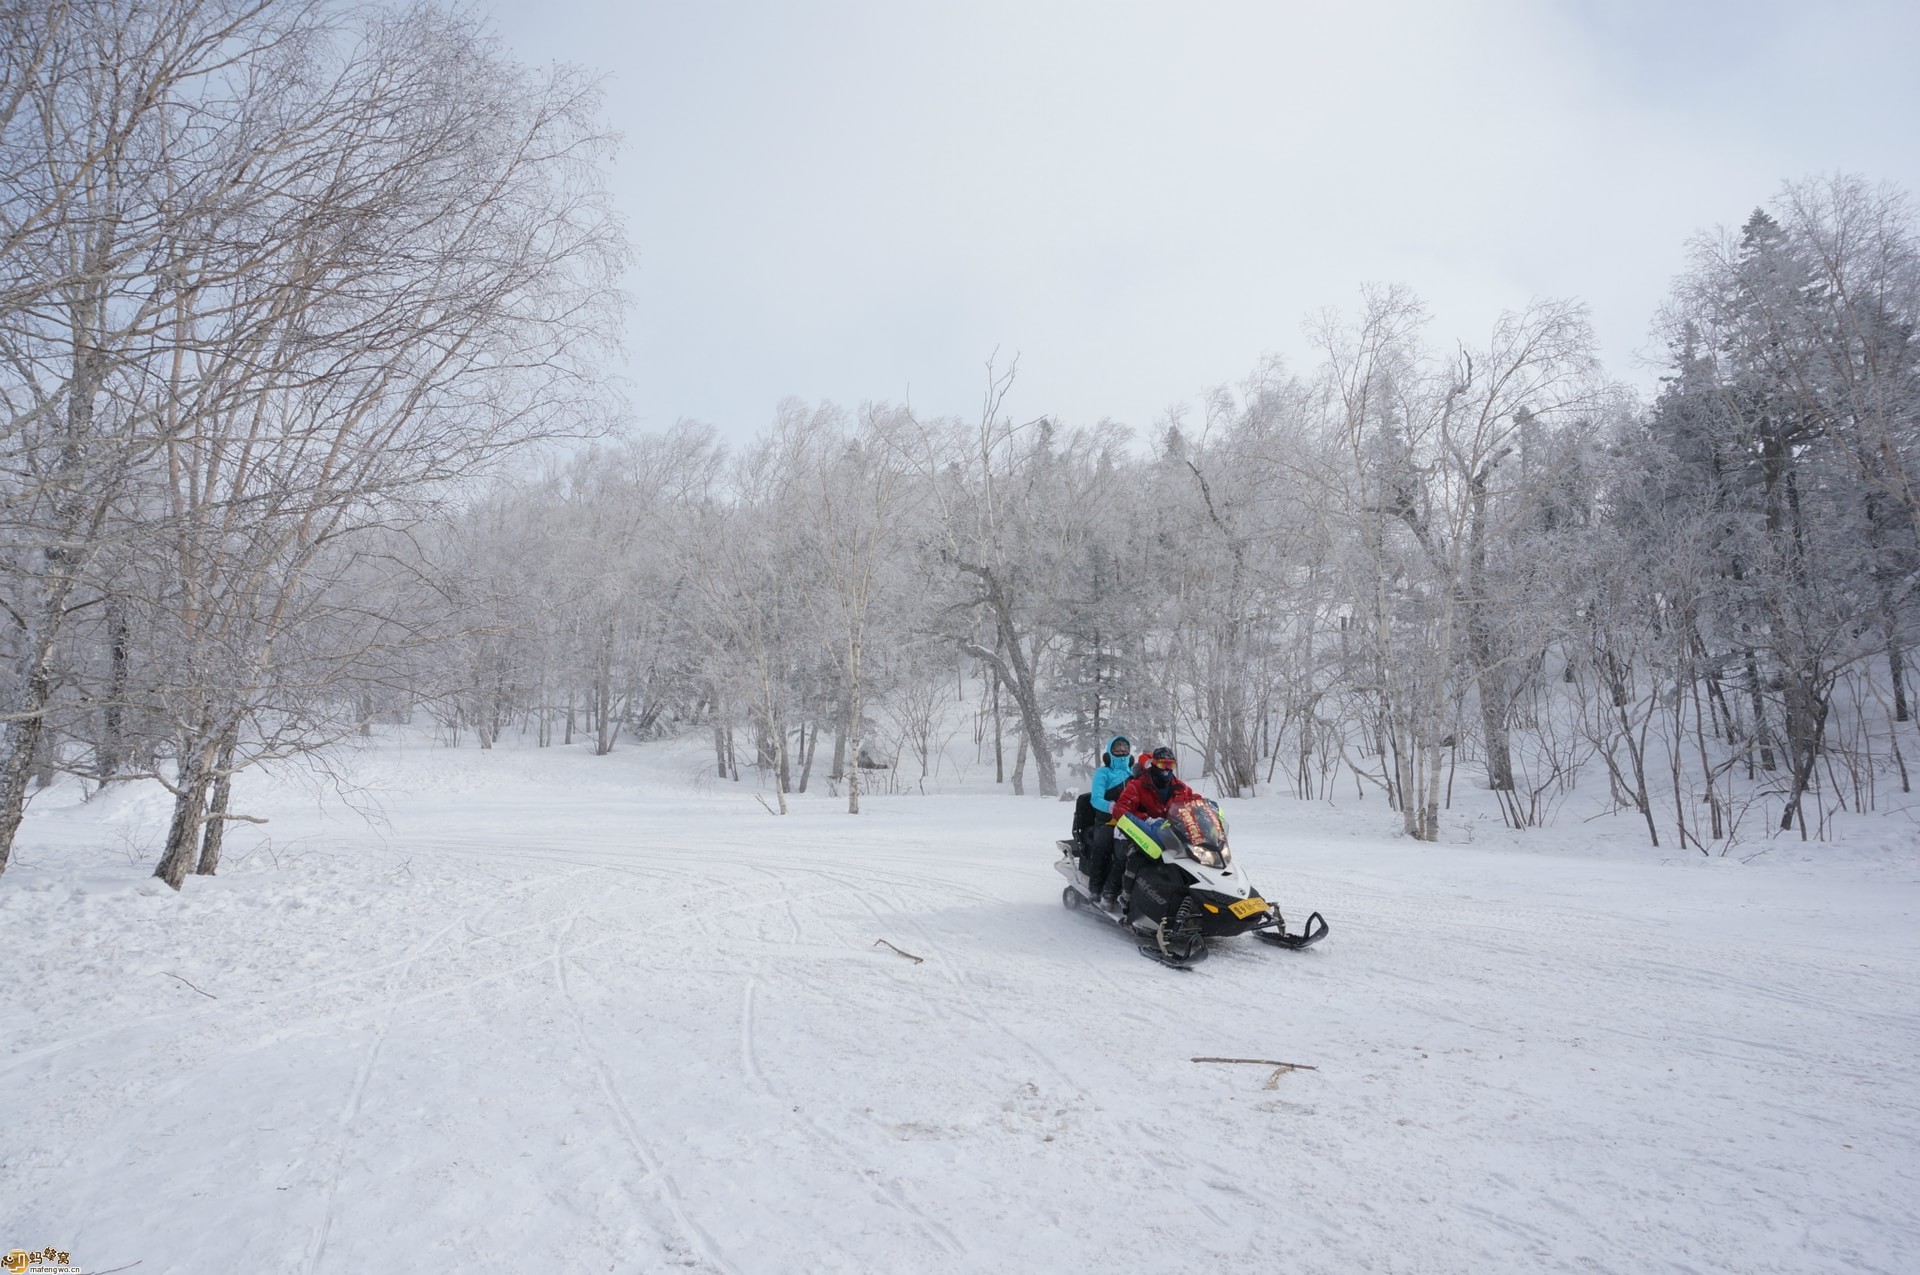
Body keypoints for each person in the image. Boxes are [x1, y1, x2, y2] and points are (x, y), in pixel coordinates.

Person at [1096, 746, 1200, 909]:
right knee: (1131, 854)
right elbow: (1121, 807)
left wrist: (1206, 810)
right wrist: (1142, 820)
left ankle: (1188, 893)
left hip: (1167, 830)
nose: (1166, 770)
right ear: (1153, 765)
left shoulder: (1179, 787)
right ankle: (1113, 893)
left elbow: (1194, 801)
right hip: (1134, 827)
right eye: (1162, 765)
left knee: (1192, 854)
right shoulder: (1138, 785)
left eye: (1170, 765)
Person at [1079, 735, 1134, 893]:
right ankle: (1096, 887)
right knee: (1103, 843)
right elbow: (1095, 799)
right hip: (1107, 821)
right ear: (1110, 751)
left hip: (1131, 822)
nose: (1122, 750)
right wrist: (1111, 807)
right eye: (1117, 748)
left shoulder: (1133, 773)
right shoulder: (1103, 773)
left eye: (1125, 747)